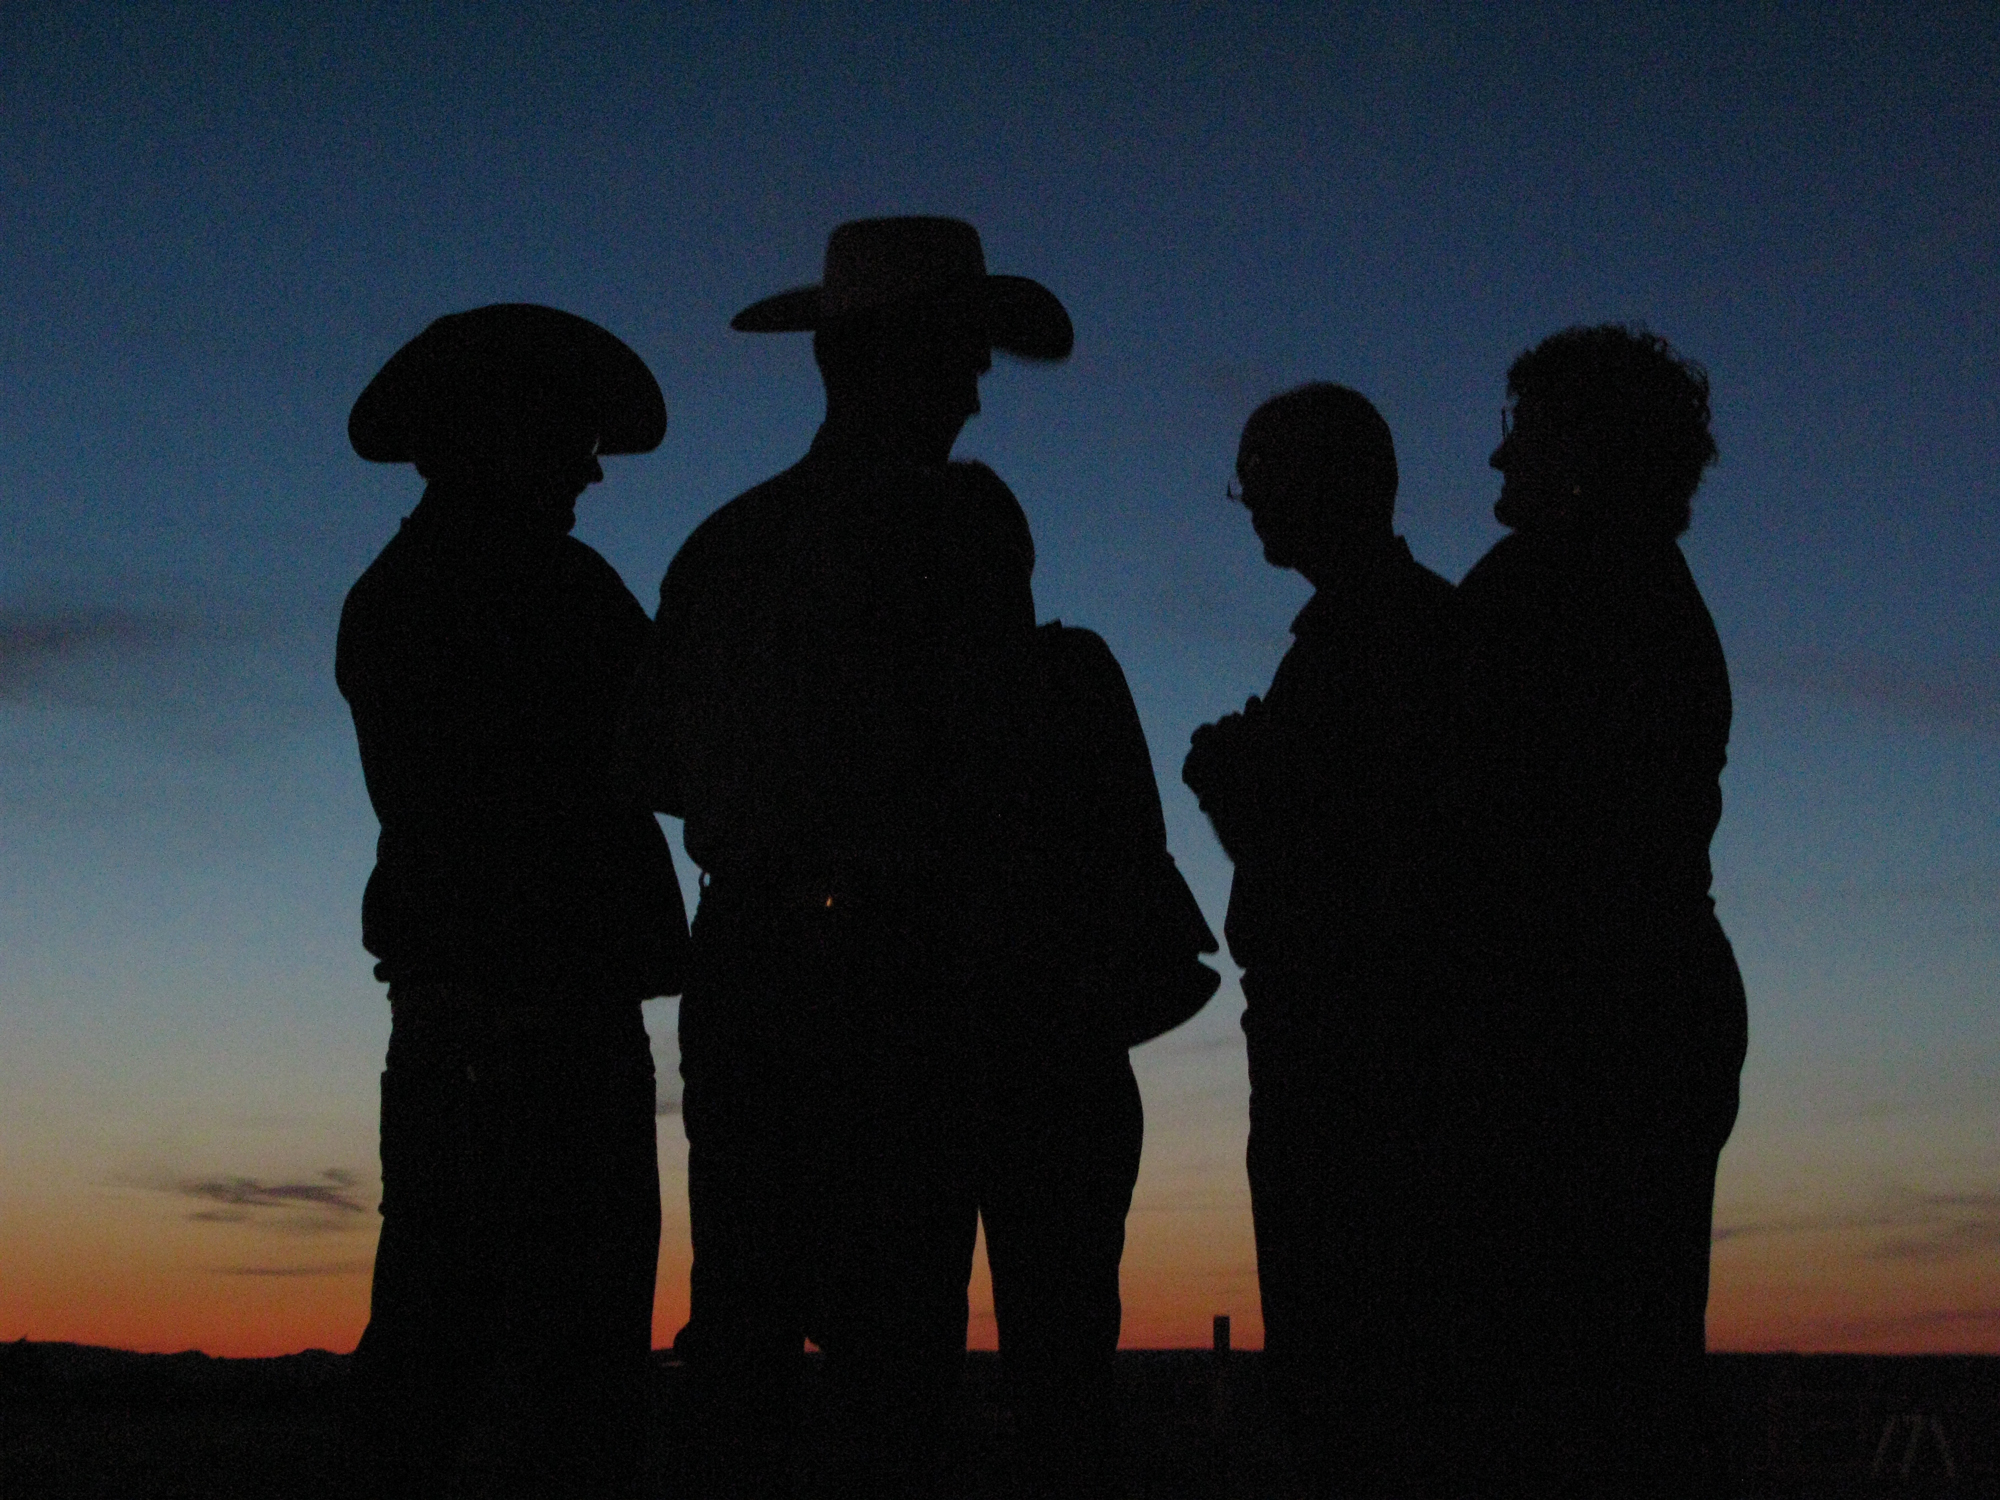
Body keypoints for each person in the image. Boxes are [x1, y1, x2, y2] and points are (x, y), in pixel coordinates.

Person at [620, 216, 1084, 1498]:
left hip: (748, 962)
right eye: (964, 353)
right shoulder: (964, 524)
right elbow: (996, 756)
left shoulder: (721, 544)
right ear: (907, 357)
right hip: (900, 971)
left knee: (750, 1314)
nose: (981, 383)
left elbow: (652, 765)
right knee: (892, 1333)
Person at [336, 304, 687, 1499]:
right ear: (497, 435)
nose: (591, 468)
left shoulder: (405, 592)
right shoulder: (548, 592)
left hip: (469, 1029)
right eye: (569, 437)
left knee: (441, 1366)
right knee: (568, 1385)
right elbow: (672, 750)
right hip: (540, 1033)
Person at [1439, 324, 1747, 1498]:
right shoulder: (1654, 595)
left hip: (1567, 1028)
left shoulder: (1537, 593)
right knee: (1632, 1362)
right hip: (1650, 1006)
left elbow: (1452, 812)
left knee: (1544, 1386)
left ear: (1576, 450)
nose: (1494, 465)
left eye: (1516, 435)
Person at [1182, 384, 1454, 1498]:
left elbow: (1342, 866)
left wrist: (1228, 784)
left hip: (1350, 1062)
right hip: (1348, 1052)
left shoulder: (1373, 639)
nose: (1253, 511)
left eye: (1267, 487)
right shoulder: (1397, 629)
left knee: (1349, 1374)